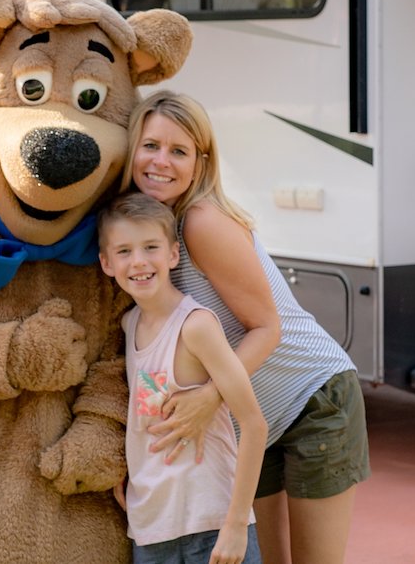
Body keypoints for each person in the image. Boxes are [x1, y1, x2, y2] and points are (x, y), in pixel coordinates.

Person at [122, 91, 369, 564]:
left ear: (200, 163)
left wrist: (210, 396)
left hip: (313, 399)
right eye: (150, 145)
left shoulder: (199, 222)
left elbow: (267, 328)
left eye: (179, 151)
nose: (161, 162)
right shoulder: (147, 230)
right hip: (253, 417)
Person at [99, 192, 267, 564]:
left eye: (150, 247)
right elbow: (146, 415)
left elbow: (254, 425)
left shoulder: (196, 326)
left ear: (173, 254)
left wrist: (236, 523)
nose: (139, 261)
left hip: (211, 524)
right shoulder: (129, 325)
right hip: (150, 529)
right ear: (106, 263)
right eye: (124, 251)